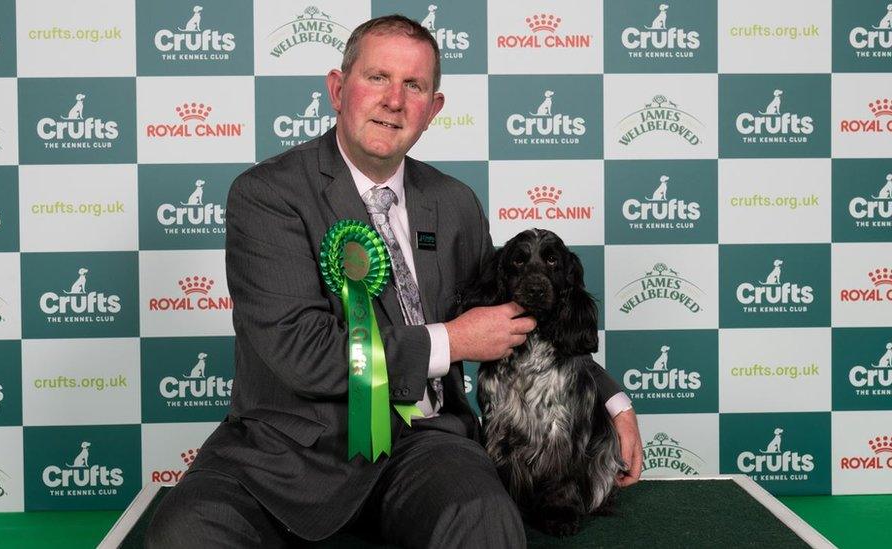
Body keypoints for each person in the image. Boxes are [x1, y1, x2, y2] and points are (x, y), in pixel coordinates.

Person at [146, 15, 642, 548]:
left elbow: (524, 312)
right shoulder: (267, 195)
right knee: (186, 534)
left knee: (484, 520)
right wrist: (452, 341)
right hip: (286, 450)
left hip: (424, 442)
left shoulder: (455, 203)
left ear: (433, 109)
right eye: (377, 77)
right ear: (338, 90)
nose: (394, 100)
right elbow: (298, 348)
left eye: (414, 85)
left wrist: (612, 401)